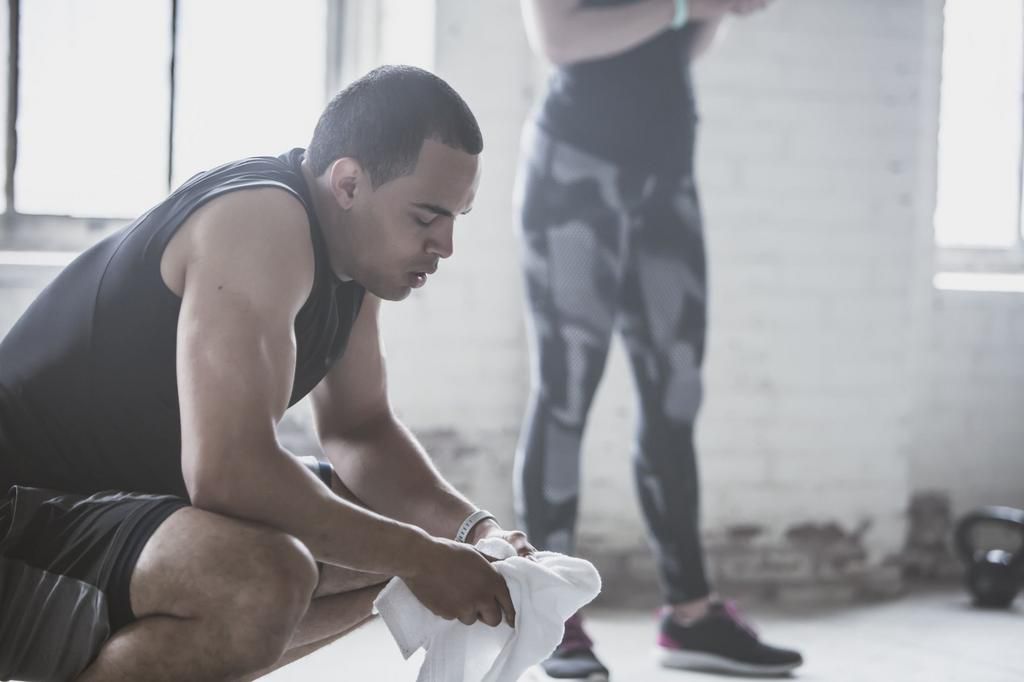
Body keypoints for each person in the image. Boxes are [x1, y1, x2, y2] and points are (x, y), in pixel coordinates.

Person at [0, 65, 536, 682]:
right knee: (260, 579)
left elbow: (361, 431)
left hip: (121, 509)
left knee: (388, 532)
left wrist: (475, 533)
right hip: (25, 511)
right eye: (424, 217)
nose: (444, 245)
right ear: (348, 183)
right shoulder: (260, 220)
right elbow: (229, 473)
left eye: (456, 219)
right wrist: (423, 555)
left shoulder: (355, 263)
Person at [514, 0, 803, 678]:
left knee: (676, 397)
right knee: (566, 390)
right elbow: (557, 36)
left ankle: (691, 616)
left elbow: (683, 45)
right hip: (574, 164)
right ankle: (551, 612)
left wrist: (719, 9)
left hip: (666, 167)